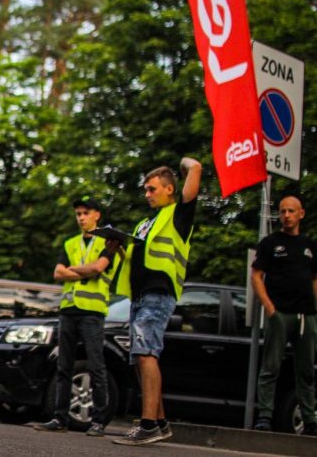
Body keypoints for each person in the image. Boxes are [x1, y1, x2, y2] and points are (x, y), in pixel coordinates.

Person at [112, 157, 202, 447]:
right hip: (140, 296)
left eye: (152, 189)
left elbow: (196, 168)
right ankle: (160, 423)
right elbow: (137, 261)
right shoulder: (144, 223)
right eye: (146, 190)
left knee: (146, 352)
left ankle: (148, 424)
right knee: (141, 356)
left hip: (158, 293)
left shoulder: (179, 214)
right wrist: (117, 249)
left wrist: (186, 163)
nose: (147, 194)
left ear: (170, 189)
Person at [34, 196, 121, 437]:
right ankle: (59, 419)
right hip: (69, 311)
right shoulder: (71, 243)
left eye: (86, 213)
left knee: (96, 367)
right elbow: (57, 273)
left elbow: (98, 268)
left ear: (97, 215)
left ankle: (98, 422)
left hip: (92, 313)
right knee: (63, 367)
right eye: (78, 214)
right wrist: (82, 272)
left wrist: (72, 271)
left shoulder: (109, 241)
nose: (81, 217)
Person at [251, 195, 317, 435]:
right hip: (280, 313)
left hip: (306, 315)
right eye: (282, 211)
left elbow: (314, 278)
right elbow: (256, 275)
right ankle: (265, 416)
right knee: (270, 367)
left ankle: (310, 419)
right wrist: (270, 308)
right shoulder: (270, 243)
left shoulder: (310, 245)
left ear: (301, 214)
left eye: (291, 211)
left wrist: (314, 308)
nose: (286, 215)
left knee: (306, 369)